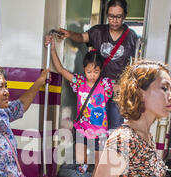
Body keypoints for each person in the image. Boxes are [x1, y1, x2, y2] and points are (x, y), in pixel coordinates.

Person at [45, 35, 113, 177]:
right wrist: (52, 47)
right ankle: (86, 164)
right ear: (84, 69)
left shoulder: (105, 84)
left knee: (99, 165)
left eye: (96, 71)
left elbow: (122, 87)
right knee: (80, 158)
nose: (92, 75)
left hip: (99, 131)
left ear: (101, 70)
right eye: (89, 71)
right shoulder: (79, 81)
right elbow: (60, 69)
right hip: (82, 129)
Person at [58, 0, 138, 131]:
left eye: (118, 17)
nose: (114, 20)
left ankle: (110, 152)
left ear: (125, 16)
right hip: (96, 89)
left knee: (114, 129)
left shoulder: (131, 37)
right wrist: (70, 34)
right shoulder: (98, 31)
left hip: (117, 90)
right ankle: (94, 150)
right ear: (107, 15)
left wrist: (126, 85)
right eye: (111, 16)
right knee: (94, 127)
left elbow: (134, 65)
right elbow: (81, 37)